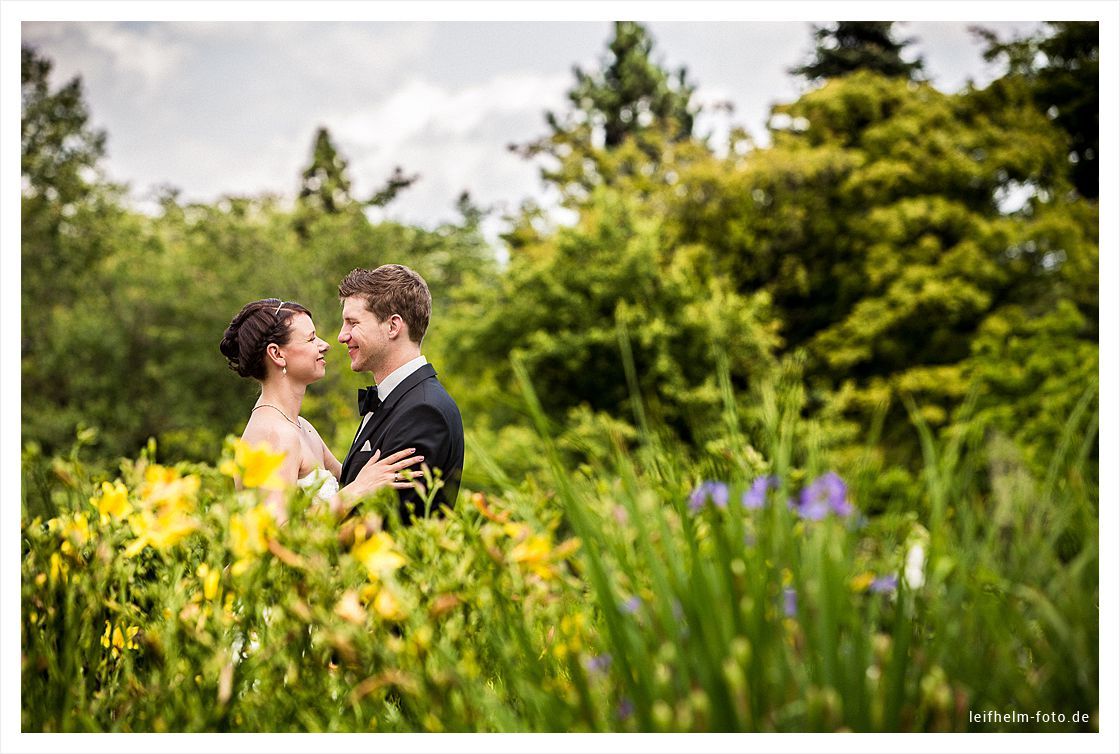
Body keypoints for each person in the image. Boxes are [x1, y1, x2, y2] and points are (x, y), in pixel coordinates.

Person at [219, 297, 423, 524]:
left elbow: (351, 476)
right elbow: (275, 535)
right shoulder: (274, 433)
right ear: (277, 354)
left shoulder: (302, 426)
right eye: (311, 338)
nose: (325, 345)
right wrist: (357, 489)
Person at [336, 265, 464, 523]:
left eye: (353, 322)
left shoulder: (424, 412)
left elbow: (387, 526)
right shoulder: (402, 399)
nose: (342, 335)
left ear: (393, 326)